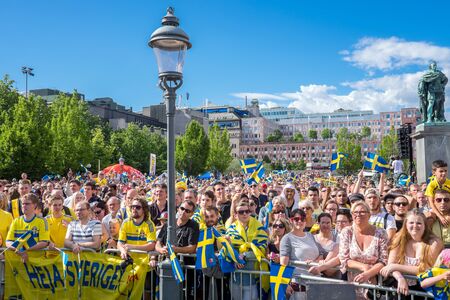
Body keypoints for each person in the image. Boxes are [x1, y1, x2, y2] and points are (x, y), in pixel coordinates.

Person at [380, 209, 443, 298]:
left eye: (419, 223)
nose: (415, 226)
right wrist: (400, 278)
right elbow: (390, 264)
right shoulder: (399, 238)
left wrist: (396, 266)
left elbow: (426, 269)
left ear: (425, 225)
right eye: (411, 223)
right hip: (402, 287)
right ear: (405, 224)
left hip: (426, 290)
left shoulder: (434, 242)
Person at [339, 201, 388, 299]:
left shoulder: (381, 233)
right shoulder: (347, 232)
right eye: (355, 212)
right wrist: (364, 267)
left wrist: (368, 274)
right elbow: (344, 259)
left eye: (362, 212)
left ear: (369, 215)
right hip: (351, 283)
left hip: (373, 283)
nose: (358, 215)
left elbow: (384, 260)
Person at [156, 199, 199, 299]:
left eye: (187, 211)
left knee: (184, 295)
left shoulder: (193, 225)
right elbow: (158, 242)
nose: (184, 212)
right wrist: (160, 250)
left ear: (191, 214)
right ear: (178, 209)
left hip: (185, 267)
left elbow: (192, 248)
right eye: (182, 208)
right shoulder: (169, 223)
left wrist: (175, 249)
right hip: (167, 265)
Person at [227, 199, 268, 300]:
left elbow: (262, 246)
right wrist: (237, 257)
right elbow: (228, 248)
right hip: (235, 275)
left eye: (247, 211)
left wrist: (245, 256)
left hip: (253, 277)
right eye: (241, 212)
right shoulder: (231, 228)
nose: (245, 214)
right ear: (236, 215)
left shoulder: (258, 226)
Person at [280, 208, 321, 300]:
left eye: (302, 219)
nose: (300, 221)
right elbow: (283, 264)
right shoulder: (287, 238)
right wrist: (284, 283)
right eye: (296, 219)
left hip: (315, 283)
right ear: (291, 221)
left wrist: (314, 261)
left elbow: (320, 254)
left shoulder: (310, 235)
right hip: (298, 284)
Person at [6, 193, 49, 262]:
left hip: (37, 262)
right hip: (17, 263)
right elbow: (8, 242)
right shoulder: (16, 221)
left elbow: (44, 242)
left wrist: (24, 249)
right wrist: (20, 251)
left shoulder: (42, 221)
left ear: (35, 205)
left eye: (27, 204)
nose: (24, 206)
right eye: (23, 204)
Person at [425, 160, 450, 227]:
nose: (444, 173)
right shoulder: (431, 185)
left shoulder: (449, 183)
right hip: (435, 209)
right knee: (429, 218)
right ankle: (428, 236)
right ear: (434, 172)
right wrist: (440, 217)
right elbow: (431, 203)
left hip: (448, 208)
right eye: (441, 171)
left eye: (445, 171)